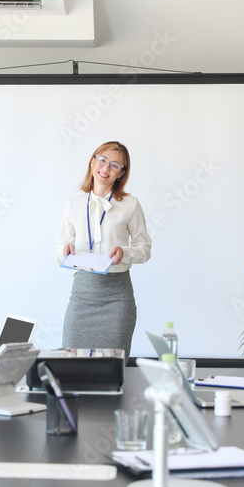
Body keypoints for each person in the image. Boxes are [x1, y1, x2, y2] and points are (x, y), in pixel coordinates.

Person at [57, 141, 151, 358]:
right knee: (71, 367)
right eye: (103, 160)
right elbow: (59, 248)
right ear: (92, 161)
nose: (106, 169)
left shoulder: (131, 204)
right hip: (82, 295)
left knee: (111, 371)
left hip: (117, 298)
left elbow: (145, 249)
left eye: (115, 165)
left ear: (121, 173)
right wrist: (65, 250)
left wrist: (125, 252)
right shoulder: (73, 203)